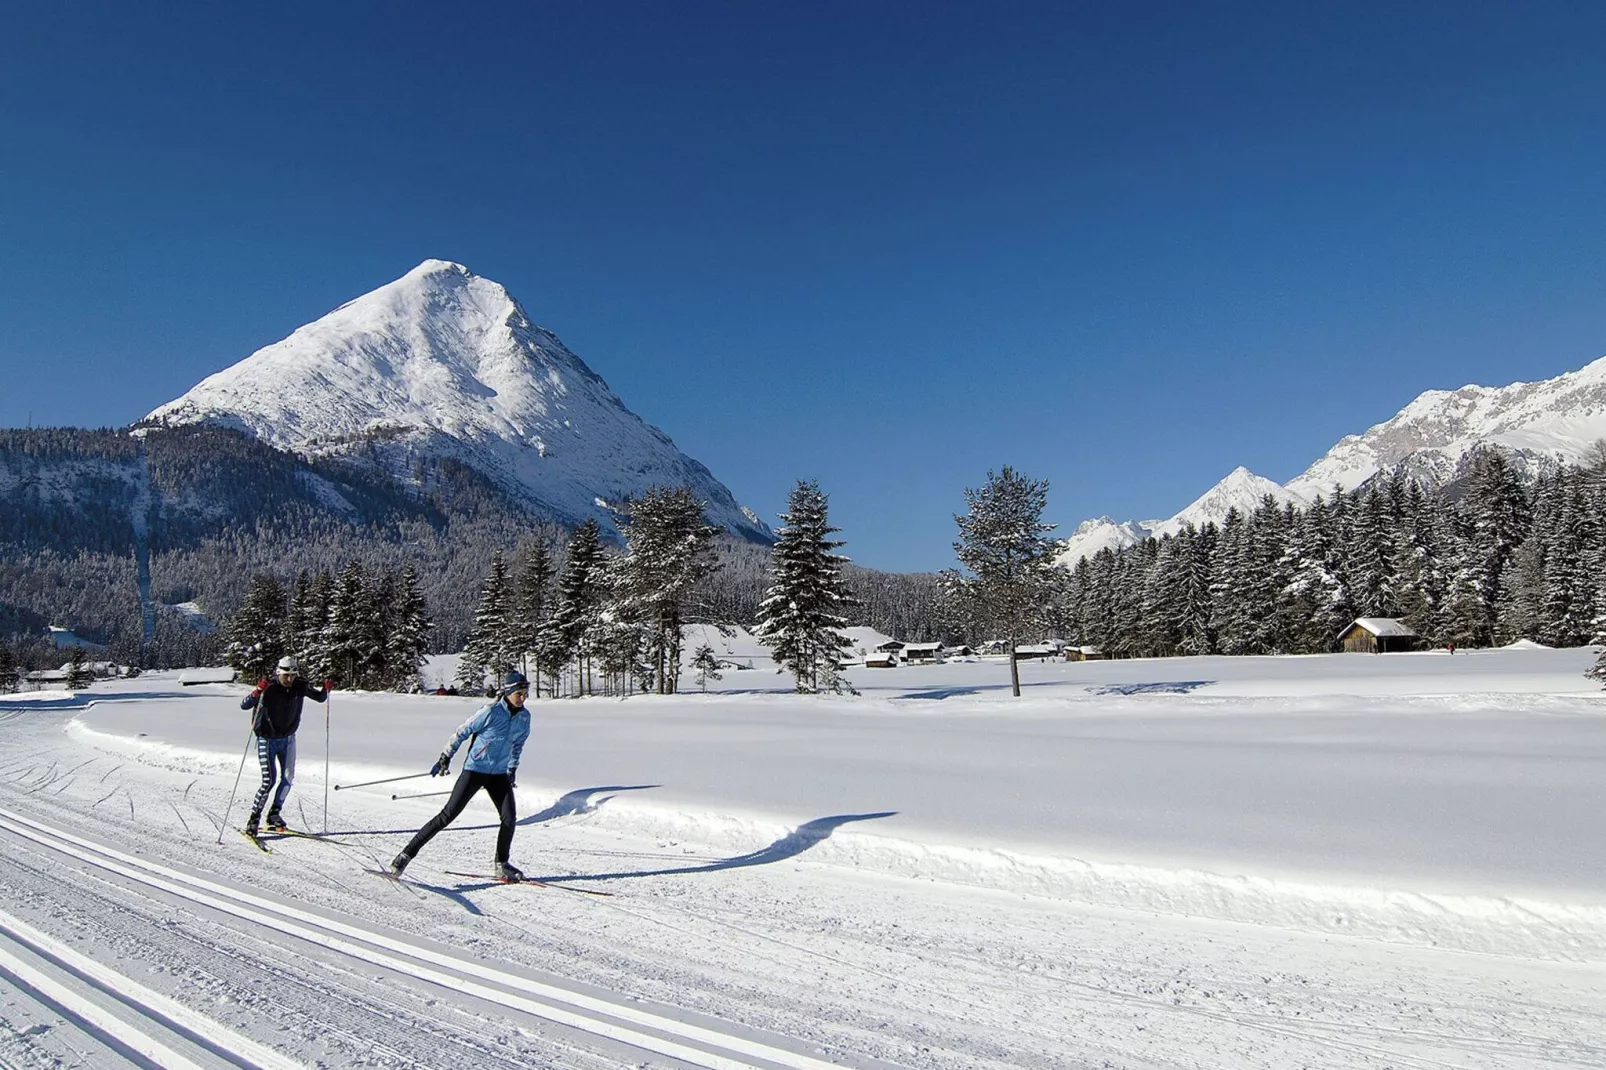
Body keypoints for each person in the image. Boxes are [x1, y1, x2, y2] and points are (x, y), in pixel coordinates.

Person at [391, 671, 531, 881]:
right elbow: (462, 732)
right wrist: (445, 756)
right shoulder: (491, 712)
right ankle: (404, 856)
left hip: (499, 774)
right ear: (509, 692)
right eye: (519, 693)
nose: (523, 698)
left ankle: (501, 864)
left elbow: (518, 745)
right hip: (475, 770)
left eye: (525, 693)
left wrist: (512, 769)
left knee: (509, 819)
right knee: (447, 815)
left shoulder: (524, 717)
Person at [240, 656, 332, 834]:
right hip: (266, 739)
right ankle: (254, 818)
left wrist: (325, 690)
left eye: (292, 675)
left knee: (288, 778)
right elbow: (245, 705)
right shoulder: (270, 687)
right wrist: (258, 691)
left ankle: (274, 813)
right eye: (286, 676)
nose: (289, 680)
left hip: (288, 739)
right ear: (278, 673)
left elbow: (319, 698)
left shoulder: (300, 686)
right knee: (269, 781)